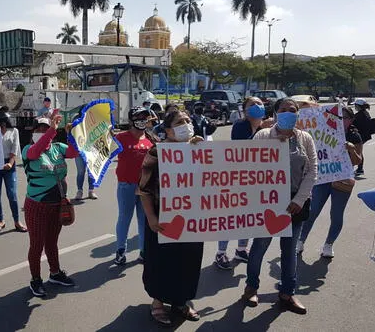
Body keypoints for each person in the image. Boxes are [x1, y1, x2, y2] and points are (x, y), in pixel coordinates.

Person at [243, 98, 318, 315]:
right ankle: (251, 288)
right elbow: (249, 166)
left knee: (289, 250)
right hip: (268, 201)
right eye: (283, 110)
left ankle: (287, 292)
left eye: (292, 110)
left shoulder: (305, 138)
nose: (288, 113)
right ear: (275, 114)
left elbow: (313, 171)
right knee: (259, 247)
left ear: (297, 114)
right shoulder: (263, 136)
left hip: (296, 202)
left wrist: (298, 200)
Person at [138, 110, 204, 325]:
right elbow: (144, 189)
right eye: (179, 122)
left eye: (187, 120)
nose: (186, 124)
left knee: (188, 262)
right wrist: (151, 218)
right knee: (162, 262)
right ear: (167, 129)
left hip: (192, 218)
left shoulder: (197, 149)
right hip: (162, 217)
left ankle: (180, 302)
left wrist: (203, 151)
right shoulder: (157, 152)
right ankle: (157, 303)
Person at [22, 115, 78, 297]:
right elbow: (36, 151)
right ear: (32, 132)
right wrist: (53, 130)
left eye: (45, 129)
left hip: (57, 205)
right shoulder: (28, 150)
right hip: (37, 205)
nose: (41, 132)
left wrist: (71, 134)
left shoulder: (58, 148)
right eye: (38, 129)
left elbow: (75, 152)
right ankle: (35, 280)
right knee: (37, 244)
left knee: (52, 242)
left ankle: (55, 273)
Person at [297, 106, 362, 257]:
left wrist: (352, 149)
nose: (340, 121)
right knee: (312, 211)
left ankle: (328, 245)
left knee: (337, 214)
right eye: (337, 117)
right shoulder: (323, 130)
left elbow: (358, 160)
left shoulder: (354, 135)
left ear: (350, 120)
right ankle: (300, 241)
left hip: (343, 179)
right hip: (323, 177)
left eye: (344, 118)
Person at [215, 97, 271, 270]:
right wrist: (263, 129)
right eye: (251, 104)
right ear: (245, 110)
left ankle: (241, 249)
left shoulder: (270, 128)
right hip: (238, 177)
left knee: (248, 217)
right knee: (232, 216)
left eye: (259, 103)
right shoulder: (240, 126)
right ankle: (221, 252)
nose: (256, 106)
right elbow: (246, 149)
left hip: (258, 179)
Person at [113, 107, 154, 266]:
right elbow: (103, 152)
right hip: (126, 186)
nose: (143, 120)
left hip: (145, 188)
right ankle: (120, 250)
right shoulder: (121, 138)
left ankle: (144, 251)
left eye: (145, 117)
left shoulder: (150, 139)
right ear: (131, 120)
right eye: (139, 117)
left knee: (143, 220)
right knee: (125, 218)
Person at [0, 113, 27, 232]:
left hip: (9, 164)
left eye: (5, 121)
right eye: (1, 121)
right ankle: (1, 221)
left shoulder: (14, 131)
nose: (3, 124)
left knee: (12, 194)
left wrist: (10, 163)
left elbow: (15, 148)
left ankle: (17, 221)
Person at [72, 112, 98, 201]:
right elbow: (71, 133)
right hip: (79, 152)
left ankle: (91, 191)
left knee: (91, 172)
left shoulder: (93, 121)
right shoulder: (76, 121)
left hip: (91, 151)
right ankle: (79, 191)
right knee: (80, 172)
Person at [352, 98, 372, 175]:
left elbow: (352, 123)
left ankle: (360, 169)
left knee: (357, 151)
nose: (354, 107)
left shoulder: (359, 115)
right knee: (358, 151)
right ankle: (360, 169)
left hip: (360, 136)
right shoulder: (365, 113)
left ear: (359, 106)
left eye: (355, 105)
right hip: (365, 135)